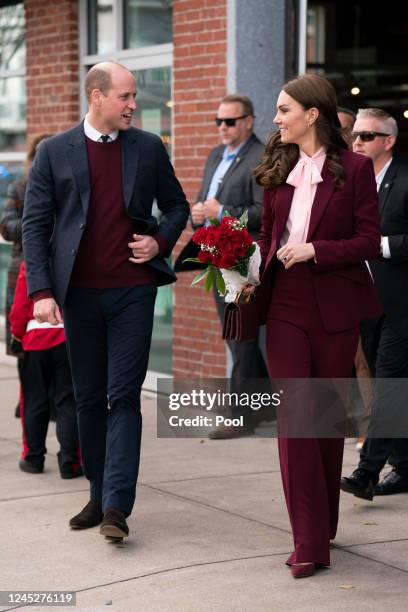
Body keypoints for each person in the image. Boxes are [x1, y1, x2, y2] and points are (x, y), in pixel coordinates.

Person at [22, 61, 189, 541]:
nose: (134, 105)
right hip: (78, 296)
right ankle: (98, 492)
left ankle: (117, 505)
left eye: (134, 96)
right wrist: (41, 292)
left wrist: (160, 242)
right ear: (97, 97)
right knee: (88, 397)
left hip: (132, 292)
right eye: (125, 97)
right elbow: (35, 226)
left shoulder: (148, 147)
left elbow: (176, 206)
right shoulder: (54, 152)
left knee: (124, 397)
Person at [251, 74, 381, 578]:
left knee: (325, 422)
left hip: (334, 309)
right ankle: (308, 541)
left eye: (284, 109)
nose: (277, 118)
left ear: (312, 114)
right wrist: (239, 265)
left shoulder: (355, 168)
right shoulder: (277, 166)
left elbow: (368, 241)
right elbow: (267, 236)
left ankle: (322, 520)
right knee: (297, 421)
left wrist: (316, 251)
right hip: (283, 304)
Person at [175, 94, 270, 439]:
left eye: (229, 121)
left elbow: (263, 212)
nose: (223, 127)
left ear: (248, 121)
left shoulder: (261, 156)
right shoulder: (216, 155)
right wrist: (197, 212)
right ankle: (263, 404)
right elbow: (203, 199)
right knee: (235, 336)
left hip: (244, 259)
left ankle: (241, 415)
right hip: (214, 254)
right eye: (219, 121)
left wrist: (222, 211)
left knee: (241, 335)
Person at [340, 108, 408, 500]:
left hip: (401, 304)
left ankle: (368, 472)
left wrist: (381, 245)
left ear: (389, 141)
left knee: (387, 383)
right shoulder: (352, 182)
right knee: (392, 385)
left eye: (367, 135)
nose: (359, 141)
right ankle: (404, 465)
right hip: (365, 301)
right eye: (356, 135)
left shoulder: (405, 181)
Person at [10, 261, 82, 478]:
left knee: (33, 400)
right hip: (68, 337)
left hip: (35, 339)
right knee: (68, 401)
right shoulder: (77, 256)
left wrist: (17, 333)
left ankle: (33, 458)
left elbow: (21, 303)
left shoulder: (33, 261)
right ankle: (70, 462)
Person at [0, 134, 51, 418]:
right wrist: (37, 226)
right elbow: (6, 226)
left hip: (56, 273)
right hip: (21, 272)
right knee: (21, 340)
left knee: (55, 340)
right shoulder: (20, 188)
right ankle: (28, 400)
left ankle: (53, 400)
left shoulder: (65, 187)